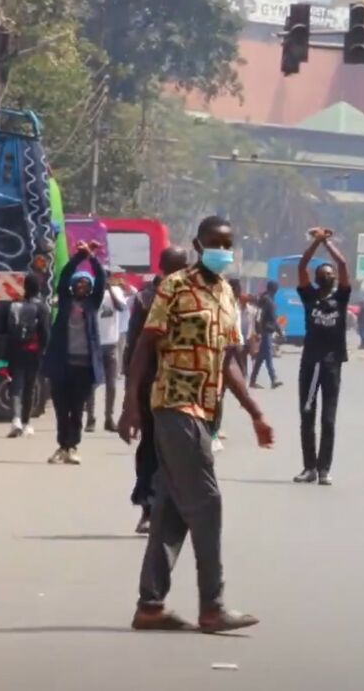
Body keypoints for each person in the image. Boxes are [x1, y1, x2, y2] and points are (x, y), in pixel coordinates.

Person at [118, 216, 271, 634]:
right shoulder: (175, 286)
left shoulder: (226, 293)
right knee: (207, 503)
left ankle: (150, 606)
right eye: (215, 242)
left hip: (206, 413)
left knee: (171, 511)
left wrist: (254, 412)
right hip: (174, 405)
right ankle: (213, 606)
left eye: (229, 242)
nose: (223, 248)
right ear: (199, 244)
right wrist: (131, 404)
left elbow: (229, 361)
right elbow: (145, 347)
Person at [123, 246, 191, 535]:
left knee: (182, 449)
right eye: (177, 267)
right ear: (165, 268)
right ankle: (148, 508)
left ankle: (176, 508)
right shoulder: (145, 300)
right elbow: (135, 349)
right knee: (151, 445)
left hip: (184, 385)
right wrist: (132, 398)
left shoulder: (194, 299)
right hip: (152, 383)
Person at [294, 227, 351, 485]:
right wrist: (315, 243)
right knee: (307, 416)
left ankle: (325, 469)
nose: (328, 275)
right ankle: (309, 468)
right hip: (310, 363)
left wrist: (327, 242)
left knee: (328, 419)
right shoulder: (309, 296)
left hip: (332, 365)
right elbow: (303, 265)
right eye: (324, 273)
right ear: (317, 278)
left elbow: (342, 263)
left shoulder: (342, 297)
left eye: (331, 274)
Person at [43, 243, 107, 463]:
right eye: (78, 282)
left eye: (85, 283)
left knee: (77, 410)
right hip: (62, 366)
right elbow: (65, 275)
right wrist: (80, 256)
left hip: (83, 368)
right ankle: (62, 446)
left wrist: (93, 259)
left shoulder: (92, 304)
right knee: (61, 410)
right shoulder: (65, 302)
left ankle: (73, 447)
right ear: (72, 286)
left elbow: (101, 281)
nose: (81, 285)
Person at [1, 275, 51, 438]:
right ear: (39, 287)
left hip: (15, 351)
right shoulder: (42, 308)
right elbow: (45, 333)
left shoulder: (14, 305)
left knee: (16, 386)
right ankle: (26, 423)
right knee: (29, 387)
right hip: (33, 353)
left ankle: (15, 420)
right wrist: (43, 350)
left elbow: (2, 330)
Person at [86, 278, 129, 433]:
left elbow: (121, 307)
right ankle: (90, 419)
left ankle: (109, 418)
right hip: (95, 344)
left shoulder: (115, 291)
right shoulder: (91, 293)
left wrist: (110, 289)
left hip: (111, 344)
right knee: (91, 384)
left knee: (111, 385)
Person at [249, 282, 282, 389]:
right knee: (268, 356)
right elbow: (271, 318)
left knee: (260, 358)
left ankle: (252, 380)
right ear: (274, 289)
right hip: (266, 332)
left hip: (265, 331)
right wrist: (280, 332)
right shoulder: (268, 301)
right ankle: (274, 379)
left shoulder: (266, 299)